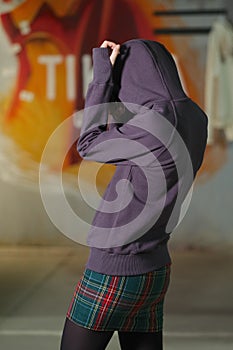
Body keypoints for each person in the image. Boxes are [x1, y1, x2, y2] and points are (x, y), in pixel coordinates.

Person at [60, 39, 208, 350]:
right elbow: (131, 132)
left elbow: (88, 143)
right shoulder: (194, 117)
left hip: (114, 267)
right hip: (155, 270)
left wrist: (103, 75)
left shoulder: (156, 124)